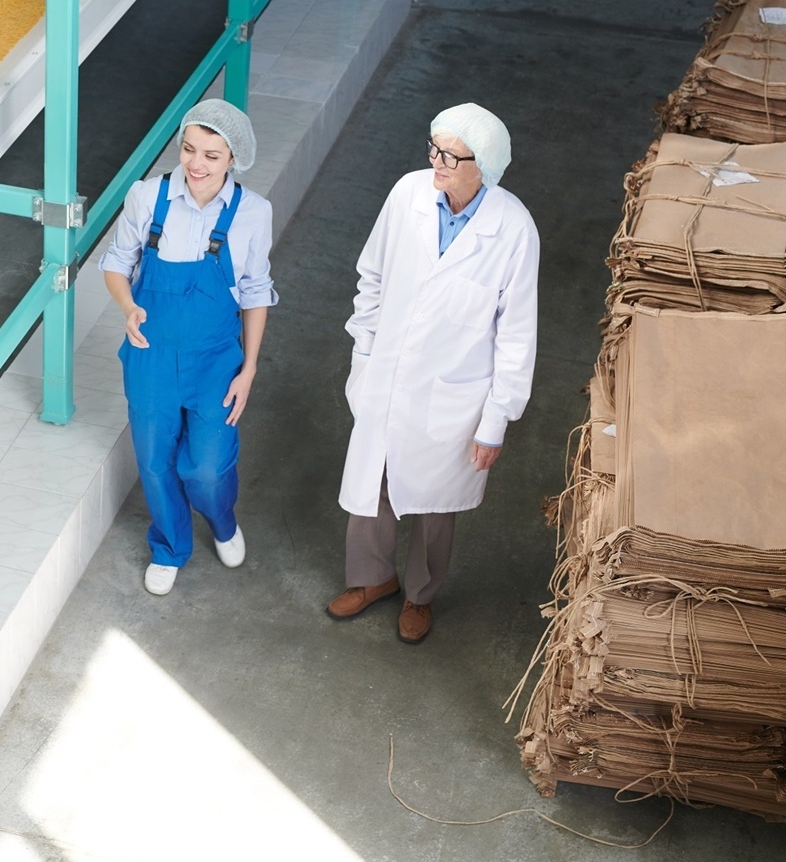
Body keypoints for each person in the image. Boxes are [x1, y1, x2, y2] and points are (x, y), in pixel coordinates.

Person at [327, 102, 539, 642]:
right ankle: (372, 578)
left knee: (435, 505)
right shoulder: (408, 194)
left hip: (456, 397)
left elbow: (516, 334)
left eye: (450, 154)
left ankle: (420, 595)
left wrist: (497, 420)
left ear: (483, 166)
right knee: (373, 480)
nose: (436, 162)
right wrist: (364, 355)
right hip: (386, 375)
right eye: (433, 148)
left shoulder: (513, 230)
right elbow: (371, 276)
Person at [100, 98, 276, 596]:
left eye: (212, 155)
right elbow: (116, 263)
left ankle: (221, 519)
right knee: (155, 462)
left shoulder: (253, 213)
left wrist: (250, 369)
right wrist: (128, 306)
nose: (196, 165)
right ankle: (169, 546)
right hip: (151, 352)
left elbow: (256, 292)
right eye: (189, 149)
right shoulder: (147, 197)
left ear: (233, 159)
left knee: (206, 467)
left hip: (217, 360)